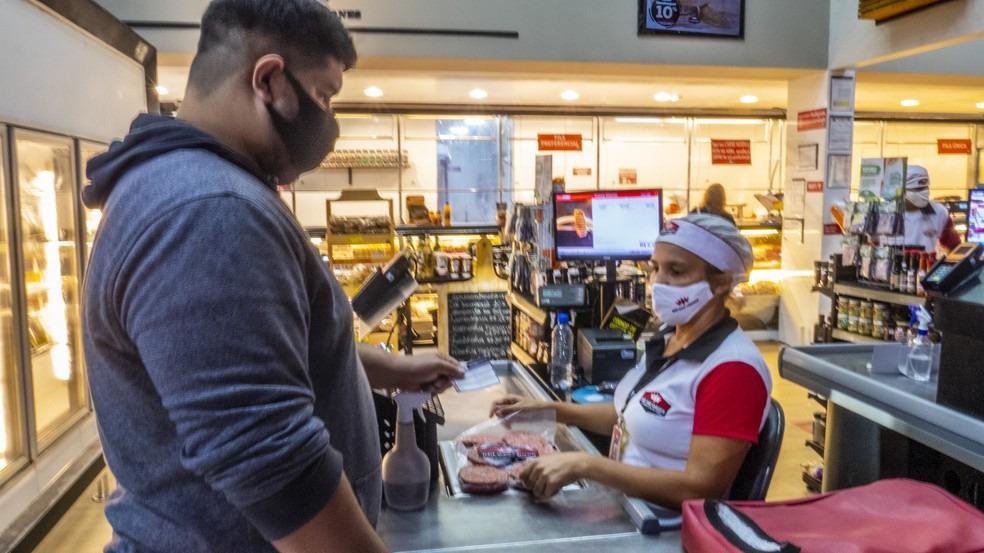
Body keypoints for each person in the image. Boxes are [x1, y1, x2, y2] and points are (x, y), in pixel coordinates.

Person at [82, 2, 463, 552]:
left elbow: (267, 359)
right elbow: (273, 462)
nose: (329, 120)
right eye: (325, 96)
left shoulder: (194, 187)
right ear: (268, 80)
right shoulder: (209, 210)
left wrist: (389, 369)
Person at [491, 214, 771, 507]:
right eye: (655, 268)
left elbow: (700, 488)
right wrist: (550, 410)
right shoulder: (670, 338)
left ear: (721, 283)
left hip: (667, 528)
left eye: (676, 271)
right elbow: (630, 414)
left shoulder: (733, 370)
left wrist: (587, 465)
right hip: (626, 507)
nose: (659, 282)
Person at [903, 165, 961, 254]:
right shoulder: (884, 214)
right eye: (918, 189)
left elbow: (954, 246)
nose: (925, 192)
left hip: (927, 266)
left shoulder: (939, 213)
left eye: (926, 188)